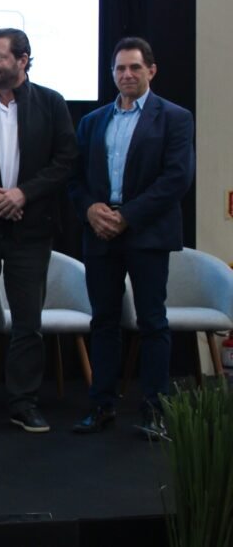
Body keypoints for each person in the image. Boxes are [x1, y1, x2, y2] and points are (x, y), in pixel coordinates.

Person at [0, 29, 77, 433]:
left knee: (27, 322)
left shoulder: (51, 103)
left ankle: (23, 403)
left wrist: (23, 194)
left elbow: (65, 160)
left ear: (23, 60)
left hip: (31, 228)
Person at [70, 37, 195, 441]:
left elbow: (177, 179)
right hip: (100, 232)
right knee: (103, 321)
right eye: (120, 68)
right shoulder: (92, 122)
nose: (127, 75)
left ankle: (155, 410)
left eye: (135, 68)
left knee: (152, 321)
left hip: (147, 233)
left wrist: (127, 217)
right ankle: (101, 405)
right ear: (112, 73)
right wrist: (91, 209)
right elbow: (75, 179)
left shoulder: (175, 118)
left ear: (151, 71)